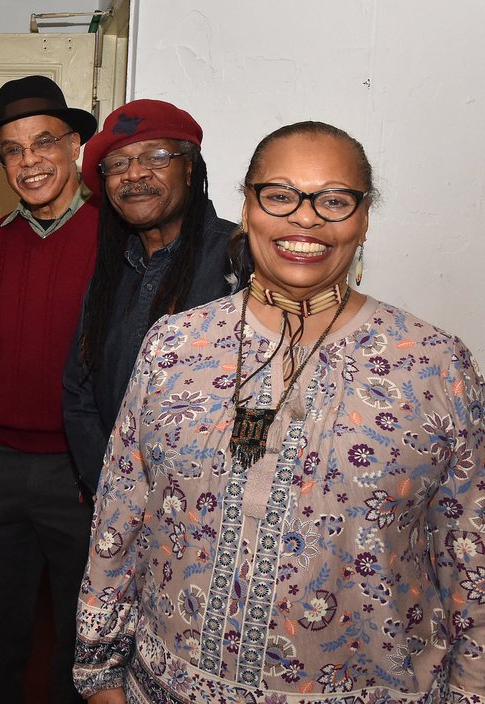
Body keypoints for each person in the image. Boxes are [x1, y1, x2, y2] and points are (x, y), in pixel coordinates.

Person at [74, 121, 485, 703]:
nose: (305, 218)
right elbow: (119, 518)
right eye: (280, 195)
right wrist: (100, 675)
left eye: (334, 200)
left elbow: (470, 554)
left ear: (364, 218)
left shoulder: (433, 365)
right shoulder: (174, 346)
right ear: (247, 208)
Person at [0, 74, 99, 704]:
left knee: (83, 635)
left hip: (77, 469)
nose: (30, 161)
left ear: (74, 147)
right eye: (13, 150)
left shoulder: (112, 233)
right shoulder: (1, 239)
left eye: (44, 142)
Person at [64, 99, 246, 495]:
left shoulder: (240, 258)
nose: (134, 173)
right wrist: (109, 485)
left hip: (207, 504)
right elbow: (79, 389)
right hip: (110, 496)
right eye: (117, 164)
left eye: (156, 156)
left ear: (190, 167)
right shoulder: (112, 269)